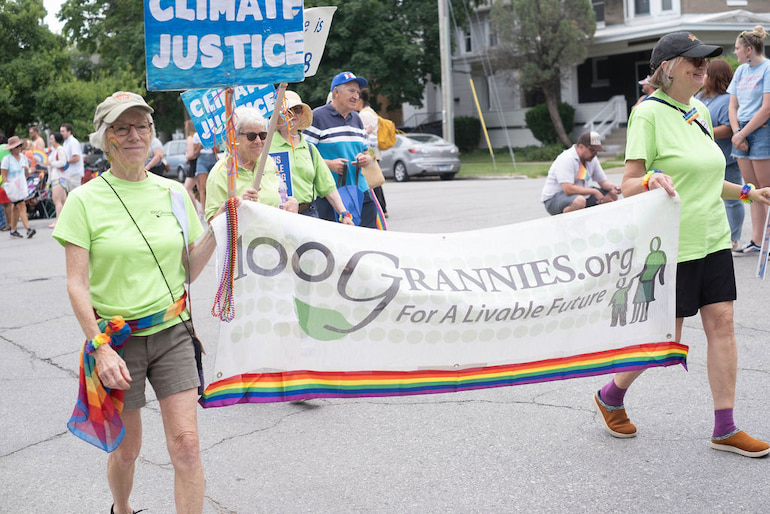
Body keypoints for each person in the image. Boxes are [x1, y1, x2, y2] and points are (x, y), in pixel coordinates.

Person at [52, 91, 237, 514]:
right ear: (105, 138)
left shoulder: (173, 193)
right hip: (118, 341)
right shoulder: (84, 201)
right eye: (122, 127)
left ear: (152, 133)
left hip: (173, 332)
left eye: (142, 126)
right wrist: (99, 348)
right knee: (127, 449)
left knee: (187, 446)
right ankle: (122, 508)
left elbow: (187, 270)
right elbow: (76, 284)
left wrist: (222, 227)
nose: (134, 135)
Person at [592, 32, 770, 457]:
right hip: (671, 246)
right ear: (668, 66)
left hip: (712, 239)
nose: (703, 66)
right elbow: (629, 184)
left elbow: (706, 180)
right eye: (694, 60)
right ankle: (610, 395)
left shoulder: (700, 113)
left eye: (706, 60)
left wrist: (749, 193)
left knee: (722, 324)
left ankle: (725, 428)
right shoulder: (648, 114)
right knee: (664, 341)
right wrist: (652, 179)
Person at [304, 71, 379, 228]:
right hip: (329, 196)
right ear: (336, 92)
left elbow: (368, 151)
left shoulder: (357, 119)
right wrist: (329, 164)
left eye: (358, 92)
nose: (356, 96)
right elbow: (302, 155)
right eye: (351, 91)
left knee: (370, 238)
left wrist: (367, 158)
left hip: (359, 191)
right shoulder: (317, 117)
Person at [268, 90, 354, 225]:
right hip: (277, 215)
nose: (292, 114)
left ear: (302, 114)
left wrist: (344, 214)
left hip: (309, 214)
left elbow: (327, 187)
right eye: (287, 110)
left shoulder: (310, 149)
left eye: (296, 109)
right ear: (277, 114)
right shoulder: (265, 146)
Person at [205, 106, 298, 221]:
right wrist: (239, 205)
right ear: (235, 138)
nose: (258, 141)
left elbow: (281, 196)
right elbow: (212, 224)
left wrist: (291, 203)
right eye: (251, 136)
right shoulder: (220, 173)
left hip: (273, 236)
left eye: (263, 135)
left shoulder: (268, 161)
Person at [728, 25, 770, 255]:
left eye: (737, 48)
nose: (735, 52)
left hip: (761, 130)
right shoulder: (741, 72)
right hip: (741, 131)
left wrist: (742, 134)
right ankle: (756, 240)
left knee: (767, 188)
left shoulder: (767, 68)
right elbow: (732, 105)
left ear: (749, 49)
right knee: (751, 189)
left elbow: (767, 108)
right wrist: (737, 133)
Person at [696, 59, 744, 251]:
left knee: (732, 201)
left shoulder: (726, 101)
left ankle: (733, 238)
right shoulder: (700, 97)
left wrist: (702, 131)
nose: (703, 76)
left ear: (715, 77)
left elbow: (727, 128)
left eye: (706, 73)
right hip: (703, 160)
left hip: (725, 159)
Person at [540, 131, 621, 215]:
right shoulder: (567, 158)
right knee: (579, 202)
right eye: (593, 150)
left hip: (580, 195)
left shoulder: (591, 159)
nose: (595, 154)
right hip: (554, 199)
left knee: (612, 195)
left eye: (597, 151)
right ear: (581, 147)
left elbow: (603, 182)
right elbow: (568, 189)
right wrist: (593, 191)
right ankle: (566, 224)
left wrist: (613, 187)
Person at [357, 89, 388, 218]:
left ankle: (380, 207)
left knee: (372, 180)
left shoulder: (364, 114)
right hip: (374, 150)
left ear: (360, 100)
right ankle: (382, 207)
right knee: (375, 180)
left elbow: (363, 132)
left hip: (369, 151)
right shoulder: (371, 112)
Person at [0, 136, 36, 239]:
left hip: (21, 186)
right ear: (11, 148)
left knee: (15, 207)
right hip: (12, 188)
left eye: (20, 146)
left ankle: (13, 230)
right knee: (21, 206)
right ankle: (28, 228)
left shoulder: (23, 157)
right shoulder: (7, 159)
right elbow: (4, 175)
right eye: (16, 146)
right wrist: (8, 187)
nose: (19, 148)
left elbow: (26, 174)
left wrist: (25, 170)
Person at [46, 131, 73, 229]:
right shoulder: (55, 150)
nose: (50, 140)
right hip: (57, 177)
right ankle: (66, 220)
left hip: (59, 177)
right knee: (62, 200)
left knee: (57, 200)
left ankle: (58, 220)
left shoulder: (60, 150)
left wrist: (51, 163)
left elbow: (63, 162)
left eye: (52, 138)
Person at [192, 131, 218, 221]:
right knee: (203, 188)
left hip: (212, 157)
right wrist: (200, 146)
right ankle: (203, 211)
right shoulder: (196, 135)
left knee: (214, 185)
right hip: (202, 159)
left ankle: (214, 208)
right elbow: (195, 153)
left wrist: (211, 144)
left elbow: (217, 149)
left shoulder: (213, 132)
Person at [183, 120, 200, 213]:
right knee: (201, 189)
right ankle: (201, 211)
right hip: (199, 163)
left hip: (193, 165)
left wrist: (186, 155)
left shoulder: (190, 138)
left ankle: (195, 211)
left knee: (187, 189)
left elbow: (190, 155)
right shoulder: (197, 137)